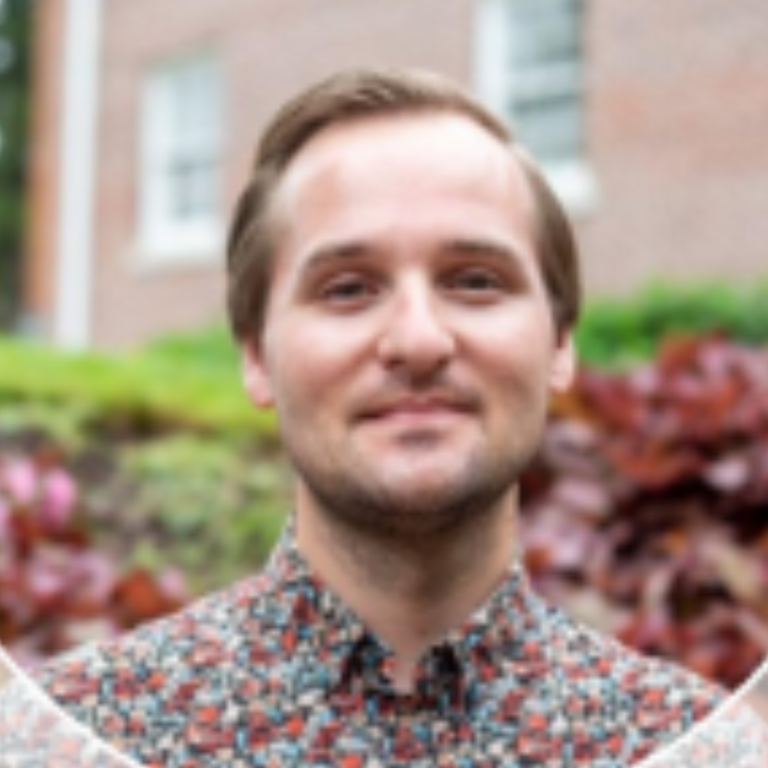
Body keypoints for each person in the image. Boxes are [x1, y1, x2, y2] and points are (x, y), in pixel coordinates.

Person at [0, 67, 748, 767]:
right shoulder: (63, 740)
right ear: (257, 355)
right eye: (348, 288)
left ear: (558, 343)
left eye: (475, 280)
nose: (418, 341)